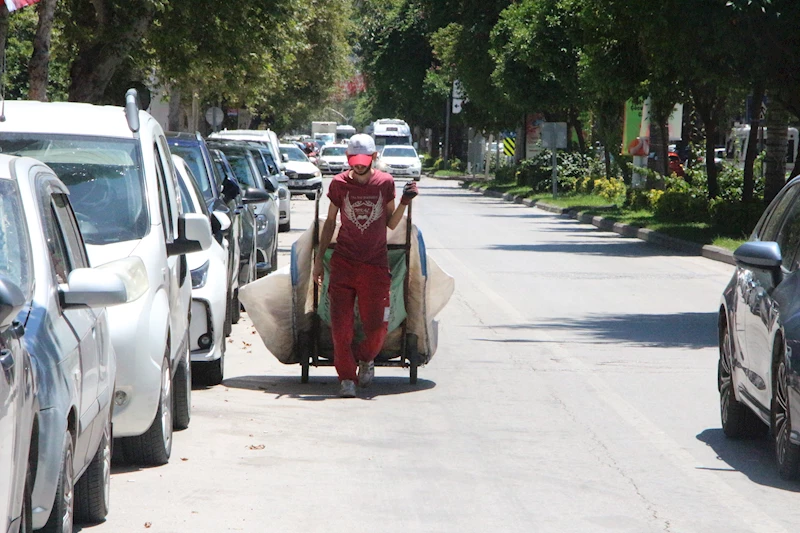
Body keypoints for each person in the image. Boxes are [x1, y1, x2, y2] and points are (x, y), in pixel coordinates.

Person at [313, 134, 418, 397]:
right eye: (354, 161)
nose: (359, 166)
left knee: (377, 327)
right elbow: (329, 222)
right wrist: (318, 260)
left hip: (375, 265)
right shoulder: (338, 184)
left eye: (364, 161)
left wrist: (405, 200)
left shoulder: (384, 183)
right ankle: (346, 378)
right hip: (344, 264)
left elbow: (391, 224)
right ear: (349, 160)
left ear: (373, 158)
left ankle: (365, 358)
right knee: (341, 328)